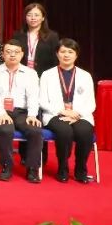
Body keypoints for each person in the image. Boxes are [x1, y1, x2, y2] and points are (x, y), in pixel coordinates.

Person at [39, 38, 95, 184]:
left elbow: (91, 103)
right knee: (64, 131)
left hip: (79, 115)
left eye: (70, 52)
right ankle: (62, 168)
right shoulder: (47, 74)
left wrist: (77, 114)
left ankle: (81, 170)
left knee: (84, 131)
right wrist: (62, 111)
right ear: (57, 54)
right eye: (63, 51)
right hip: (55, 114)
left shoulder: (85, 75)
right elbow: (42, 101)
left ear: (76, 55)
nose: (66, 55)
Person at [0, 39, 43, 183]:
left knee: (35, 130)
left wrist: (32, 115)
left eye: (16, 52)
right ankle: (6, 166)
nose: (12, 55)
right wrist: (1, 113)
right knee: (6, 129)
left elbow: (33, 96)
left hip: (22, 112)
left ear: (22, 54)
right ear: (2, 54)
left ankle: (32, 168)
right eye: (8, 52)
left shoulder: (30, 73)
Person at [13, 2, 60, 76]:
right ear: (25, 18)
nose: (33, 18)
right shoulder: (17, 35)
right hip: (21, 74)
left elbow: (55, 59)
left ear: (43, 18)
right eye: (29, 15)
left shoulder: (52, 36)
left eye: (36, 15)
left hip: (43, 75)